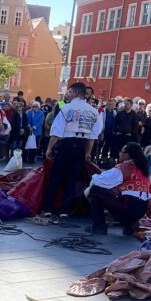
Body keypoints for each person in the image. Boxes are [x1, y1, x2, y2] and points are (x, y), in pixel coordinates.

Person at [42, 82, 101, 217]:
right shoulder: (93, 111)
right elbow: (93, 136)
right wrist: (87, 153)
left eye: (70, 91)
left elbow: (56, 132)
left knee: (55, 177)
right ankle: (65, 210)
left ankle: (48, 208)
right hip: (81, 145)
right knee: (72, 179)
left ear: (75, 92)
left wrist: (49, 148)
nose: (68, 94)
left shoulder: (66, 108)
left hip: (66, 144)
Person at [87, 142, 151, 236]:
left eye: (121, 151)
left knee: (95, 190)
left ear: (127, 155)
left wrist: (93, 179)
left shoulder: (125, 167)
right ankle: (129, 224)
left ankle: (99, 226)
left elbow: (101, 180)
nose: (120, 153)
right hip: (141, 209)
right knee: (119, 198)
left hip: (129, 207)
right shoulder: (142, 168)